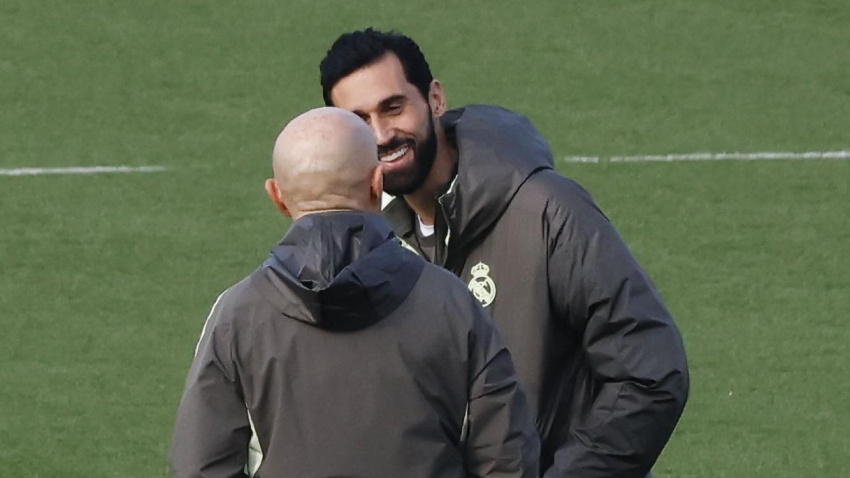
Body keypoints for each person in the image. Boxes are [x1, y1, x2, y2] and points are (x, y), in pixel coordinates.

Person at [319, 29, 690, 477]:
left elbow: (650, 373)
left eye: (393, 107)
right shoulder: (370, 246)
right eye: (359, 121)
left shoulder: (547, 210)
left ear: (434, 99)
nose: (381, 134)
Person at [168, 107, 540, 477]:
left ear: (277, 196)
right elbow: (507, 459)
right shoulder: (453, 303)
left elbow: (201, 466)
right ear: (377, 183)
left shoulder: (237, 315)